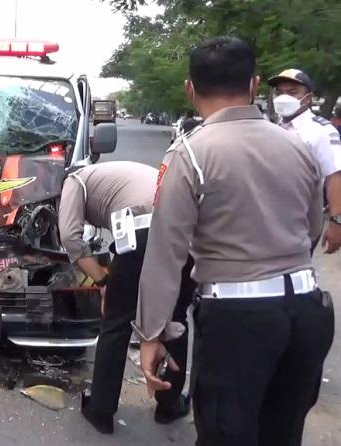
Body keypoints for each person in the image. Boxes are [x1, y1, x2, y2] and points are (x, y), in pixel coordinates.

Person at [135, 37, 333, 445]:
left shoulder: (190, 154)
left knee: (227, 435)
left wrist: (151, 334)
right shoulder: (297, 145)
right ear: (255, 84)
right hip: (307, 313)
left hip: (237, 323)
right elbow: (312, 227)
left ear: (190, 89)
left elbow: (165, 255)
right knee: (282, 434)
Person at [58, 161, 194, 434]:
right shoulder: (116, 174)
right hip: (183, 237)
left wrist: (104, 281)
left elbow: (70, 237)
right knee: (175, 317)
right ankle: (169, 406)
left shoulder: (74, 180)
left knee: (116, 324)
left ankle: (101, 410)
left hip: (140, 235)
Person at [269, 69, 341, 253]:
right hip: (270, 219)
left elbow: (335, 176)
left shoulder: (320, 132)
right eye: (279, 92)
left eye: (292, 92)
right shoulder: (274, 128)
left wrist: (337, 222)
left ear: (308, 98)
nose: (284, 97)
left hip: (302, 222)